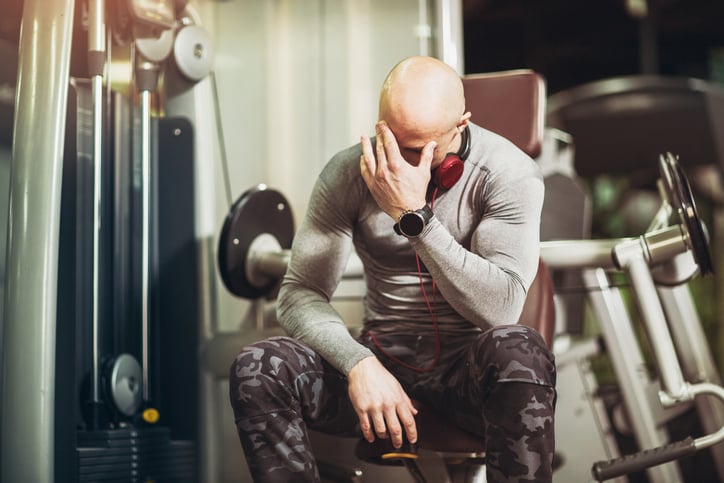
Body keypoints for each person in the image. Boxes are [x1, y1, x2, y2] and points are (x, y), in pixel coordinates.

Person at [229, 55, 556, 483]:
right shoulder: (349, 172)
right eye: (391, 140)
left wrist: (415, 218)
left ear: (460, 126)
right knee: (257, 366)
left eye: (418, 149)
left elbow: (500, 310)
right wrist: (358, 363)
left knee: (520, 349)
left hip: (465, 379)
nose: (397, 163)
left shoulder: (507, 175)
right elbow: (299, 294)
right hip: (379, 362)